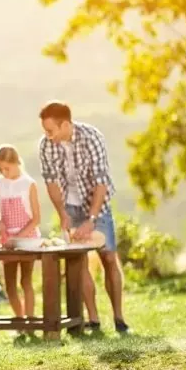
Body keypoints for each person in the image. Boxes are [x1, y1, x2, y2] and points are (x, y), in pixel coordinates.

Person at [37, 101, 129, 333]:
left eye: (50, 130)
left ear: (65, 124)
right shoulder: (46, 145)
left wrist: (92, 218)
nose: (47, 136)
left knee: (108, 258)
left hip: (98, 206)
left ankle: (119, 318)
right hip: (71, 206)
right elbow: (51, 182)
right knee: (79, 262)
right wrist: (62, 214)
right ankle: (93, 319)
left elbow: (101, 181)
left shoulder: (92, 137)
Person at [0, 144, 40, 320]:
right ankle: (20, 320)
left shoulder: (29, 184)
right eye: (0, 169)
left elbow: (36, 219)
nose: (4, 172)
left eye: (7, 168)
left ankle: (31, 319)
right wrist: (0, 224)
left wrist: (18, 237)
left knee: (25, 280)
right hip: (7, 239)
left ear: (17, 163)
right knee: (10, 284)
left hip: (27, 239)